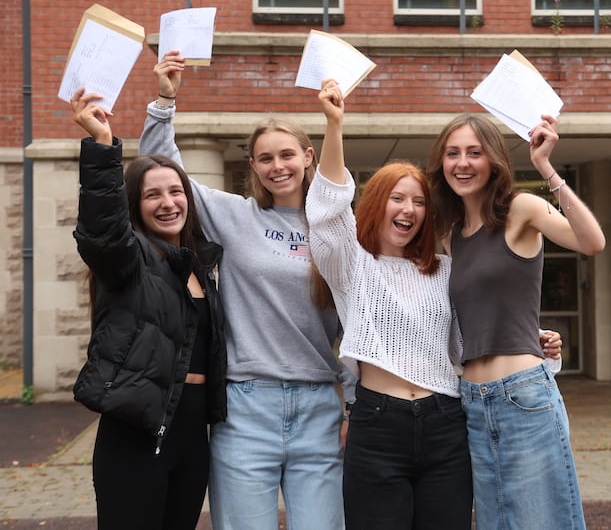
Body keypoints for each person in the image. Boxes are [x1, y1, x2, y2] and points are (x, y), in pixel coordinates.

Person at [139, 51, 352, 530]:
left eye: (287, 155)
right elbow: (164, 171)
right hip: (244, 405)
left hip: (319, 403)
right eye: (266, 158)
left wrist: (353, 402)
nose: (278, 166)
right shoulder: (234, 217)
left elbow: (359, 318)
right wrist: (164, 100)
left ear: (308, 157)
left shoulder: (336, 227)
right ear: (253, 165)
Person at [306, 79, 473, 529]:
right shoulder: (352, 265)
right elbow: (327, 212)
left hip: (446, 423)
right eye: (398, 198)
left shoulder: (444, 269)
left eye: (419, 202)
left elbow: (467, 344)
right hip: (378, 425)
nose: (409, 209)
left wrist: (534, 342)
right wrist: (334, 125)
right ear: (378, 205)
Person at [427, 113, 606, 530]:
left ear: (493, 160)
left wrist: (545, 167)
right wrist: (534, 332)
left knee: (542, 521)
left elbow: (592, 242)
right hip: (471, 400)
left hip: (522, 398)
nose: (462, 163)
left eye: (474, 152)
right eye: (453, 154)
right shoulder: (450, 235)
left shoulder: (520, 208)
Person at [69, 87, 227, 530]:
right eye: (152, 195)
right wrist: (102, 145)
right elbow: (103, 231)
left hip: (193, 437)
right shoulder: (129, 259)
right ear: (135, 206)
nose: (168, 202)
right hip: (136, 433)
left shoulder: (200, 263)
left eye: (176, 191)